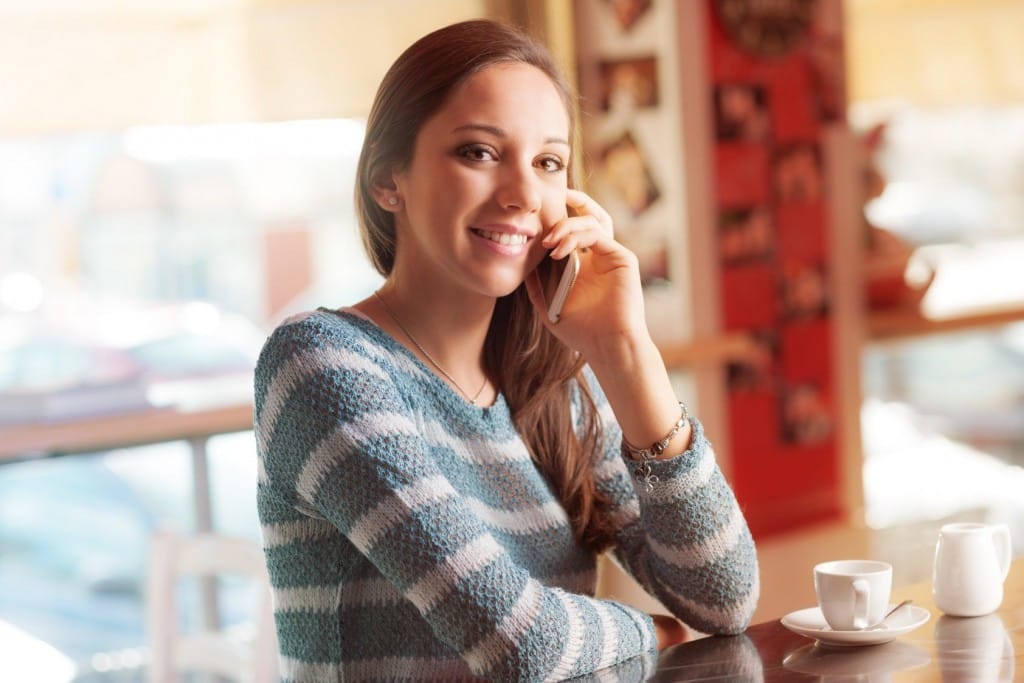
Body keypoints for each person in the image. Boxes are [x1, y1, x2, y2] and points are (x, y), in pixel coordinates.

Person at [253, 19, 759, 682]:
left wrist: (624, 348)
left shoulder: (551, 384)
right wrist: (655, 630)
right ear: (388, 179)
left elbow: (724, 599)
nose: (523, 194)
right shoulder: (323, 365)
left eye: (548, 162)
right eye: (479, 152)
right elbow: (523, 643)